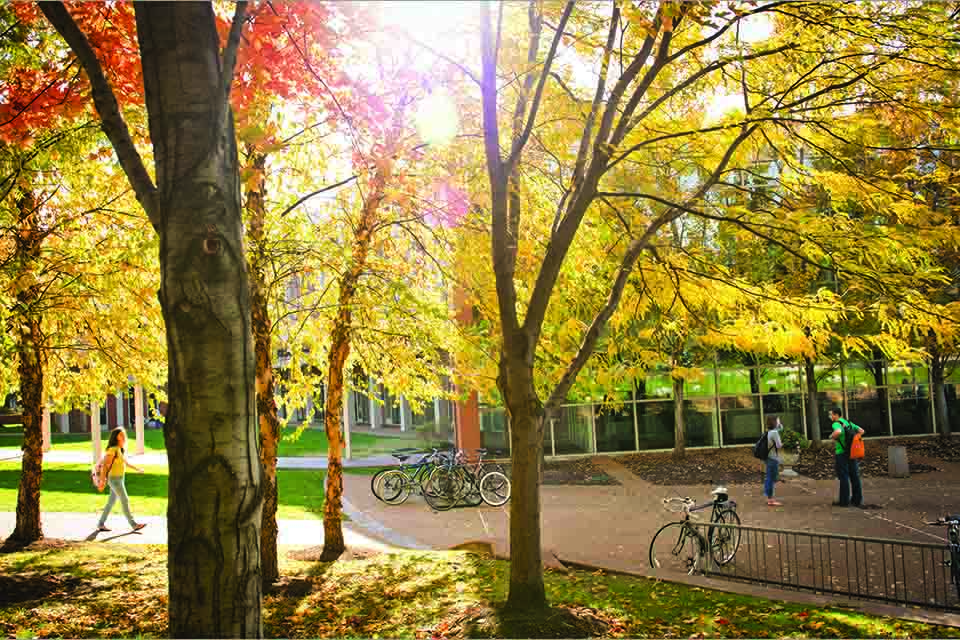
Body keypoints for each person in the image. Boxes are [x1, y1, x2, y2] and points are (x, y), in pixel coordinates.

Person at [97, 427, 147, 532]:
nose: (123, 436)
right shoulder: (113, 449)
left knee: (111, 502)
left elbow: (126, 463)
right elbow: (105, 465)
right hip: (114, 479)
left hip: (120, 478)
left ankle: (101, 524)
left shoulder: (119, 449)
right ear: (116, 437)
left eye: (124, 434)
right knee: (125, 499)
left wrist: (138, 469)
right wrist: (102, 480)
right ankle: (134, 524)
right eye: (121, 434)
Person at [829, 407, 864, 508]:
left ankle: (844, 501)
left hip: (841, 453)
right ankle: (857, 500)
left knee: (843, 477)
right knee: (854, 476)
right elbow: (861, 431)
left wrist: (831, 436)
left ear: (836, 415)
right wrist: (854, 441)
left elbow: (838, 432)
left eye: (831, 414)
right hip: (852, 452)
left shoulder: (836, 423)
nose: (830, 416)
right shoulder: (848, 422)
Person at [763, 415, 784, 506]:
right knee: (771, 479)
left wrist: (780, 427)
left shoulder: (769, 432)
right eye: (778, 420)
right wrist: (782, 443)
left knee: (770, 477)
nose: (779, 422)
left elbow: (780, 429)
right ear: (774, 422)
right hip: (773, 458)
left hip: (768, 457)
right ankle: (770, 499)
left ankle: (769, 497)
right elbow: (779, 445)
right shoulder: (775, 433)